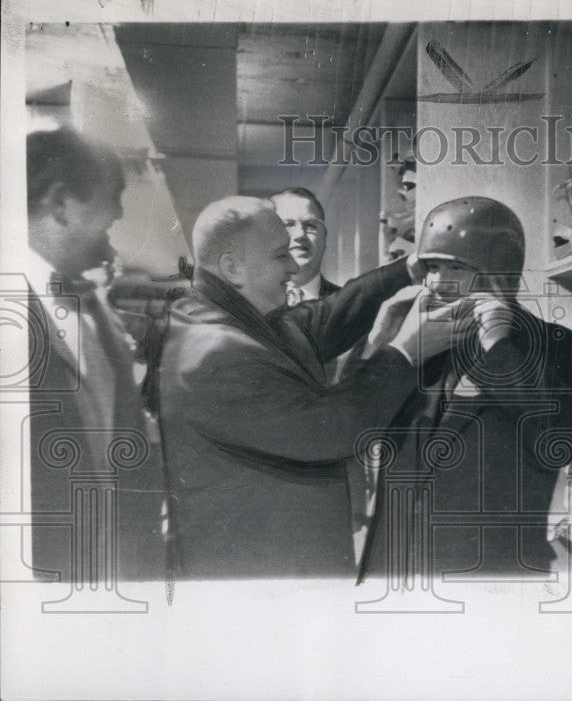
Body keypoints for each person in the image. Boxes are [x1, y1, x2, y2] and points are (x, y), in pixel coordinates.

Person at [156, 196, 455, 579]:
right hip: (257, 579)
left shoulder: (238, 317)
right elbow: (330, 430)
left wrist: (407, 271)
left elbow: (326, 317)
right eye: (281, 255)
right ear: (233, 267)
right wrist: (406, 352)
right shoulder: (213, 352)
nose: (295, 266)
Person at [358, 197, 572, 582]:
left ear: (496, 272)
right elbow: (355, 430)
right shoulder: (420, 340)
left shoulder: (559, 346)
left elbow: (560, 442)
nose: (435, 282)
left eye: (454, 267)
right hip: (395, 566)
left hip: (487, 576)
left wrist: (500, 347)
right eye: (431, 267)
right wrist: (380, 342)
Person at [24, 127, 167, 581]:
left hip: (112, 578)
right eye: (113, 198)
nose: (120, 214)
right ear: (61, 202)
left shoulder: (95, 309)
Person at [269, 187, 339, 305]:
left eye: (310, 225)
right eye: (288, 225)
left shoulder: (349, 304)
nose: (300, 234)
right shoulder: (249, 306)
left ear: (324, 238)